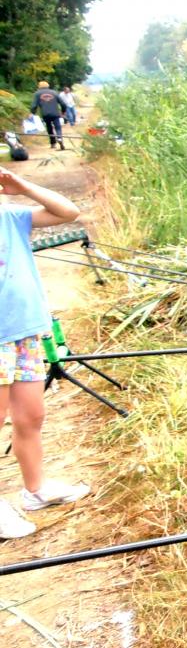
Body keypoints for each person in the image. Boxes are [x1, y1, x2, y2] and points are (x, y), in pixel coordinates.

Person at [0, 166, 91, 539]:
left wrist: (21, 186)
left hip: (25, 333)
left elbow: (67, 212)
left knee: (31, 416)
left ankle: (36, 489)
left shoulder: (12, 217)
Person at [30, 81, 65, 150]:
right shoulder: (54, 92)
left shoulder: (37, 94)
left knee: (49, 128)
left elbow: (34, 105)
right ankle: (59, 138)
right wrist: (63, 111)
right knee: (58, 127)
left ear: (39, 87)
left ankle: (53, 143)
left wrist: (32, 113)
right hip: (55, 113)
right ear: (48, 86)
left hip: (45, 114)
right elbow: (63, 104)